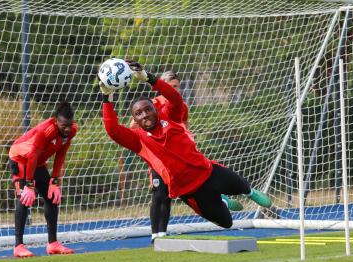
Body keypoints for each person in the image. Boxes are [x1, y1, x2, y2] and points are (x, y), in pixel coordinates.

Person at [100, 61, 271, 231]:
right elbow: (112, 130)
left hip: (207, 172)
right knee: (227, 222)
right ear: (135, 120)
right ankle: (222, 201)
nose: (145, 115)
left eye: (148, 110)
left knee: (242, 187)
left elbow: (175, 98)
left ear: (156, 110)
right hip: (189, 191)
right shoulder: (137, 139)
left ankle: (251, 193)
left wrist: (148, 78)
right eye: (139, 113)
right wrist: (106, 97)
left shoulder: (170, 116)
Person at [129, 70, 242, 243]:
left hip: (180, 161)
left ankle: (219, 201)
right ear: (162, 86)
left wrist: (188, 136)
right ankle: (157, 236)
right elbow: (133, 128)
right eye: (171, 86)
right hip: (159, 162)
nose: (175, 90)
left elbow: (185, 124)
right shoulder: (150, 106)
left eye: (177, 87)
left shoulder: (179, 105)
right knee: (160, 195)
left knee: (190, 190)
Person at [8, 101, 77, 257]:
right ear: (55, 121)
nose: (67, 129)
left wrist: (54, 181)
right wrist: (29, 185)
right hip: (20, 159)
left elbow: (61, 154)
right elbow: (32, 156)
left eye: (69, 125)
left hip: (37, 162)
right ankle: (18, 246)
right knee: (25, 199)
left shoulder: (72, 131)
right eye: (63, 125)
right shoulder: (45, 131)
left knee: (52, 197)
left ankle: (53, 244)